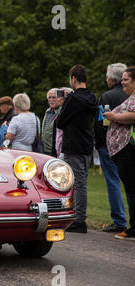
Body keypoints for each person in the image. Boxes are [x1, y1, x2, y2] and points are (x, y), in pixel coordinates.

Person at [57, 64, 98, 233]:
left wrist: (66, 102)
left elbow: (60, 122)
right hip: (87, 142)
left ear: (73, 78)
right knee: (82, 181)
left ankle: (79, 219)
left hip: (74, 143)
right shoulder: (93, 98)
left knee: (78, 183)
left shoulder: (73, 99)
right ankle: (78, 215)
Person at [94, 63, 128, 233]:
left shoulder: (107, 96)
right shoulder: (130, 96)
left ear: (111, 78)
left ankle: (119, 220)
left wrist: (99, 143)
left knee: (113, 181)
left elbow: (102, 123)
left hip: (110, 144)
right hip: (128, 144)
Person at [104, 66, 135, 240]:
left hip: (129, 149)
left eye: (126, 79)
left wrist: (114, 117)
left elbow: (133, 115)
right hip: (125, 150)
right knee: (131, 189)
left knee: (132, 190)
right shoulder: (130, 97)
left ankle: (133, 229)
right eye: (121, 79)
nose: (122, 82)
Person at [42, 88, 62, 155]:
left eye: (54, 97)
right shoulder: (47, 111)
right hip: (44, 149)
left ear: (59, 99)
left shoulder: (62, 111)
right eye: (49, 98)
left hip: (55, 150)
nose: (51, 100)